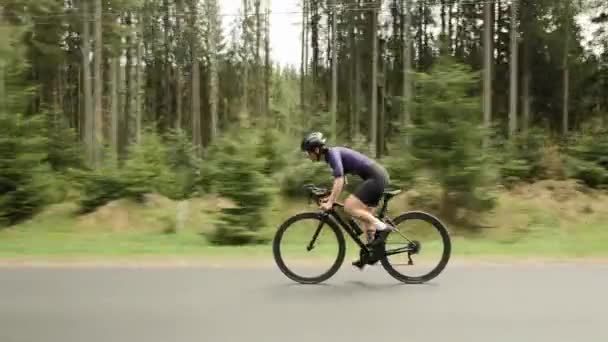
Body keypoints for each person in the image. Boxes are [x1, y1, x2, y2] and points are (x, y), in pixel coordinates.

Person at [300, 131, 393, 269]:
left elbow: (339, 179)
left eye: (308, 152)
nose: (308, 156)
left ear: (316, 149)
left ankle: (383, 228)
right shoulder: (332, 156)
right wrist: (330, 196)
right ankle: (372, 254)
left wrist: (331, 202)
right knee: (366, 217)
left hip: (376, 178)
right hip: (377, 177)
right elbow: (344, 182)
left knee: (349, 207)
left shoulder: (332, 154)